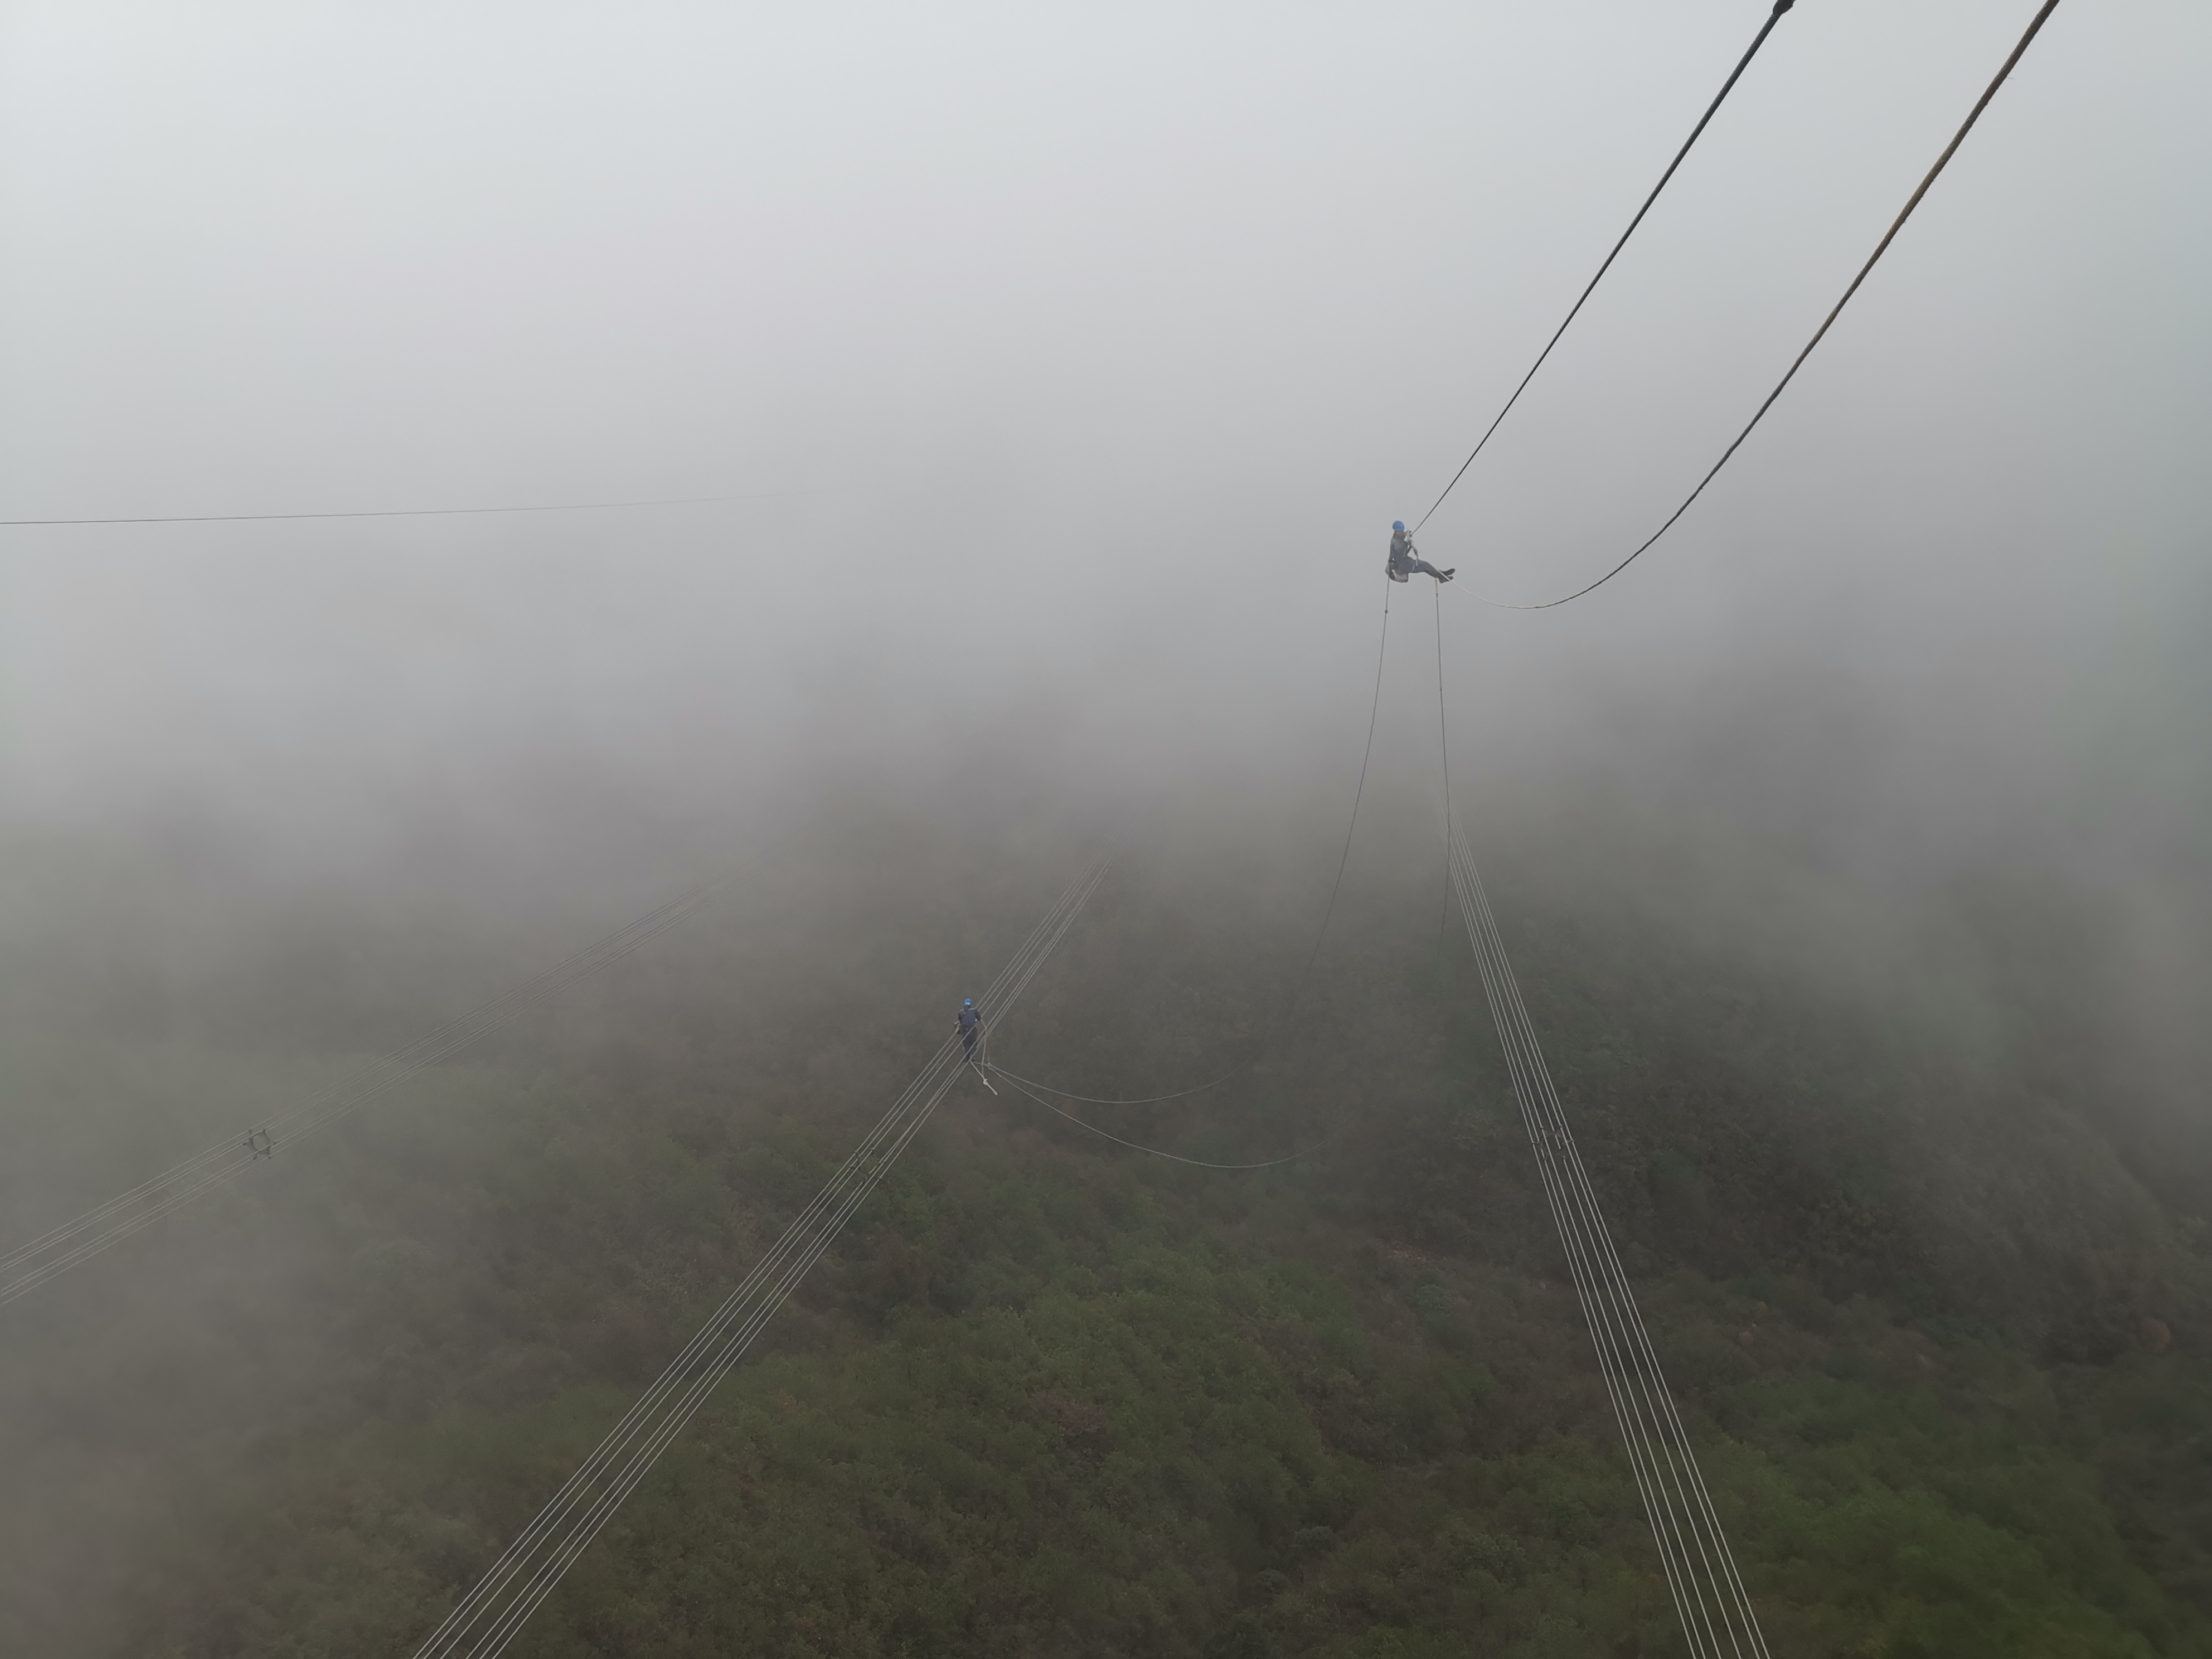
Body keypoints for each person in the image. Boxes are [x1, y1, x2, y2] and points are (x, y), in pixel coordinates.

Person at [1387, 520, 1453, 584]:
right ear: (1396, 531)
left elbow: (1402, 538)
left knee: (1426, 565)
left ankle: (1441, 574)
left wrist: (1407, 535)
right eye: (1400, 531)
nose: (1401, 532)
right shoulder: (1395, 542)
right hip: (1401, 566)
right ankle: (1441, 578)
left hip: (1404, 562)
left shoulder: (1398, 537)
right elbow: (1403, 549)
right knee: (1425, 566)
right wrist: (1409, 542)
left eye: (1402, 531)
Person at [957, 997, 982, 1061]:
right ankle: (971, 1055)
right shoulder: (974, 1011)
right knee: (973, 1042)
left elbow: (960, 1019)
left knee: (966, 1043)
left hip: (965, 1030)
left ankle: (967, 1057)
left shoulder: (961, 1012)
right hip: (972, 1029)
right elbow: (979, 1018)